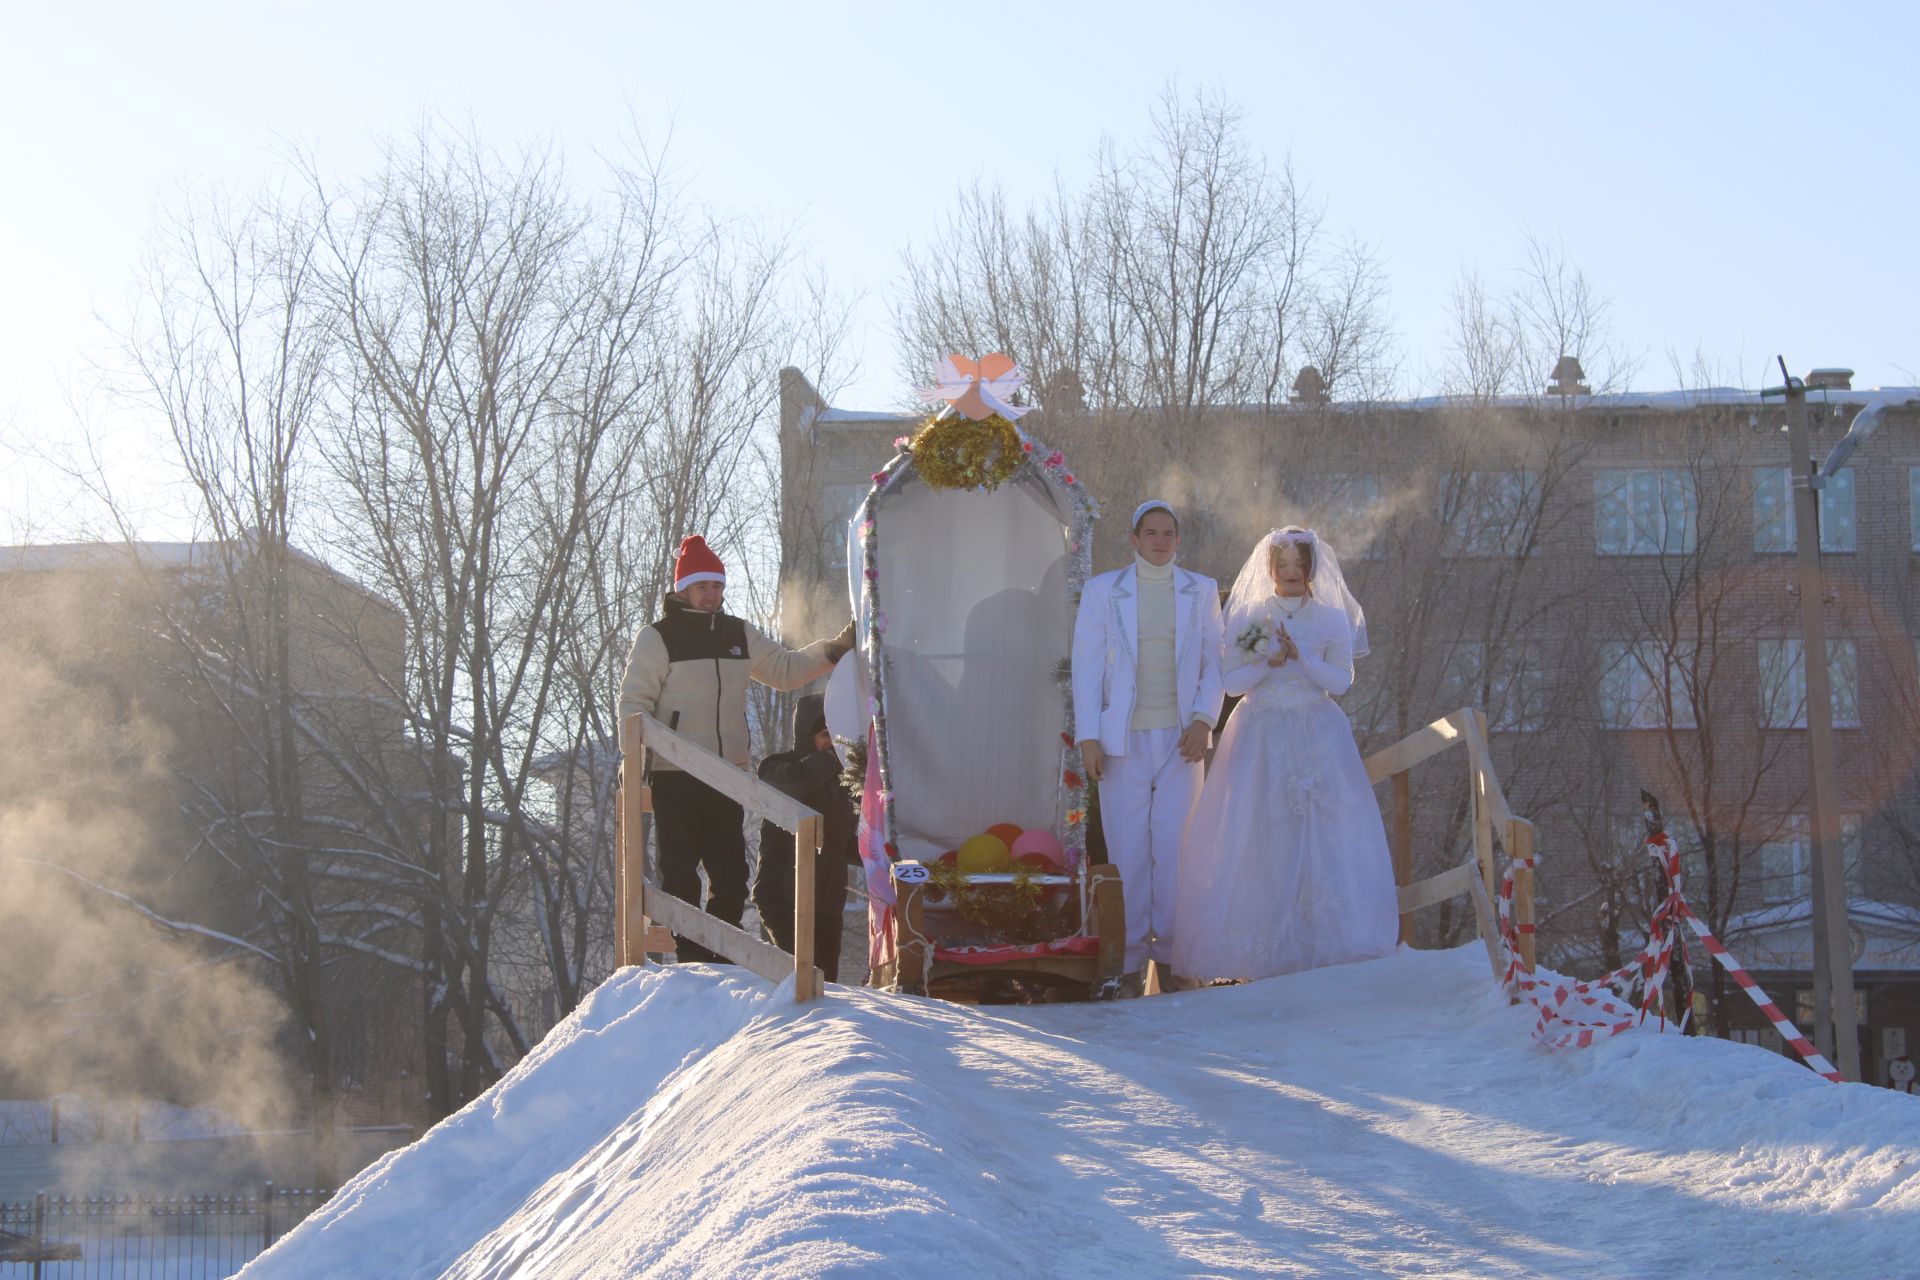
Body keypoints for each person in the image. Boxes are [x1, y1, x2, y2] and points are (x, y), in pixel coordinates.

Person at [1172, 527, 1398, 983]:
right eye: (1284, 566)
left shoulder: (1330, 618)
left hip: (1317, 734)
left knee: (1322, 830)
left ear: (1312, 568)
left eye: (1300, 565)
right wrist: (1266, 663)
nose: (1292, 574)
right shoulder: (1254, 617)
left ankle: (1324, 937)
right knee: (1259, 828)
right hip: (1261, 736)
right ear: (1271, 569)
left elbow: (1340, 682)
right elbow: (1234, 684)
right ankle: (1261, 941)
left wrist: (1302, 660)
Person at [619, 535, 854, 961]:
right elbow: (635, 704)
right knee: (679, 873)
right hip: (675, 774)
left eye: (718, 587)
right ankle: (691, 958)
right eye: (703, 586)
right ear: (683, 589)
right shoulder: (658, 637)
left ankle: (719, 958)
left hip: (727, 775)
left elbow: (784, 670)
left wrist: (833, 650)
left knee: (731, 875)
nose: (712, 594)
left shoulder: (737, 634)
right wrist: (634, 758)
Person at [1070, 501, 1224, 993]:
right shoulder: (1103, 591)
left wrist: (1203, 719)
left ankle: (1177, 960)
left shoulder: (1200, 591)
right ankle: (1130, 960)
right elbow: (1088, 665)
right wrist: (1089, 735)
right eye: (1151, 532)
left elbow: (1213, 662)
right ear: (1134, 539)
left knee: (1177, 847)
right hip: (1122, 739)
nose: (1160, 540)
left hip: (1182, 740)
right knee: (1128, 849)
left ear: (1178, 541)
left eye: (1169, 533)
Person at [754, 693, 857, 982]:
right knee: (798, 984)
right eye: (826, 735)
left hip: (827, 903)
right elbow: (796, 783)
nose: (833, 744)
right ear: (805, 733)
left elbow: (845, 841)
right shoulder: (775, 767)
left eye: (838, 736)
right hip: (784, 900)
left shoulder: (841, 782)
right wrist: (829, 759)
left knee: (827, 989)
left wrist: (882, 856)